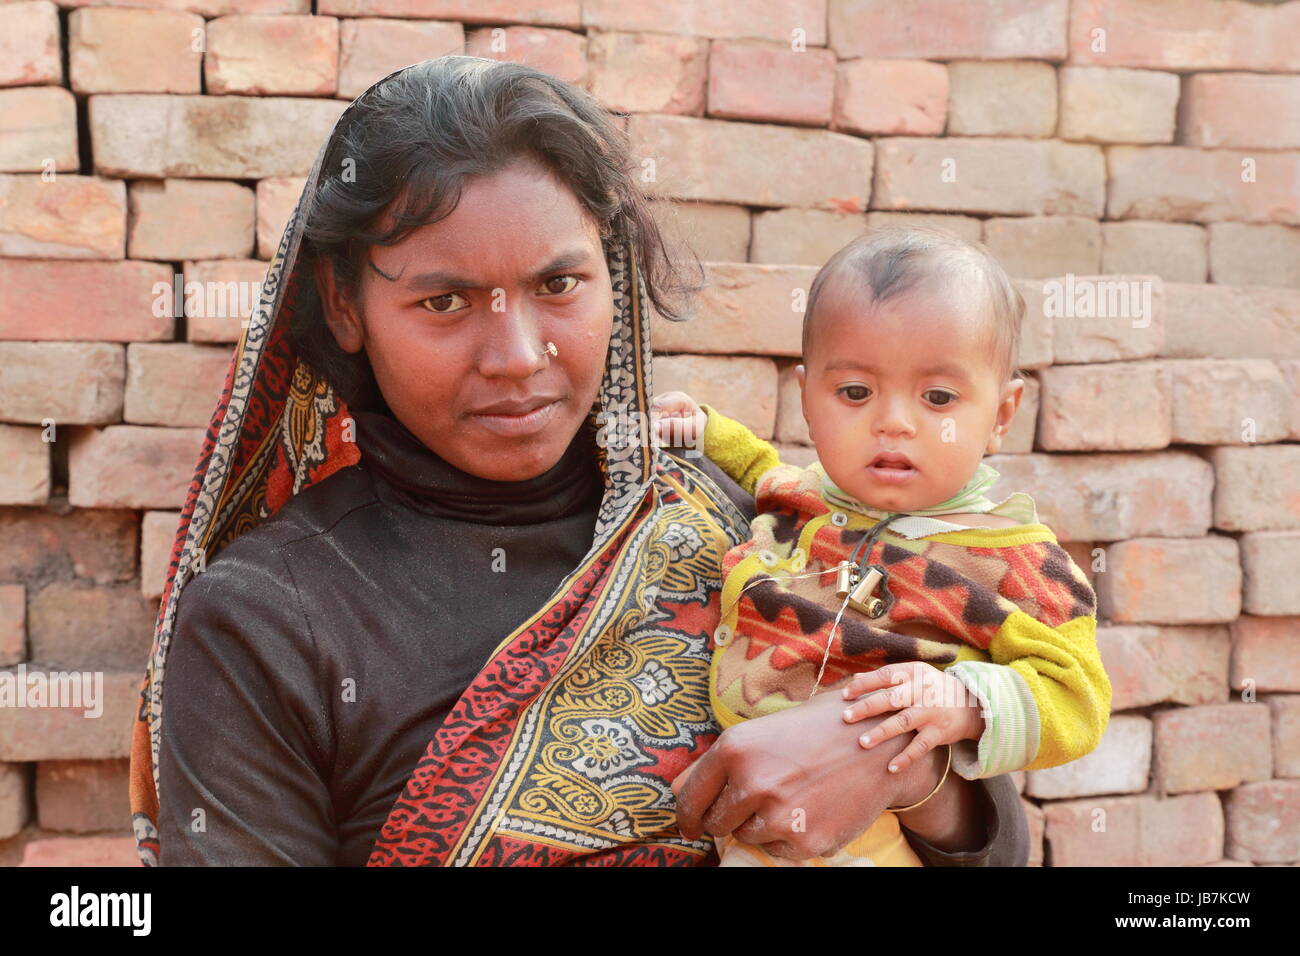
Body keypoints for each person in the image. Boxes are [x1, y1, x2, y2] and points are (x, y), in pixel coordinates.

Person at [126, 57, 1030, 867]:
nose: (518, 354)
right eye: (445, 302)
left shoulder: (731, 515)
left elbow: (1001, 846)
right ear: (345, 304)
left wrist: (895, 773)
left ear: (613, 276)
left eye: (558, 285)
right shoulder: (268, 622)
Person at [655, 225, 1111, 867]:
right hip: (742, 813)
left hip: (872, 828)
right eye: (854, 393)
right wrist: (704, 430)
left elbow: (1078, 693)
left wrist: (966, 700)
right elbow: (762, 469)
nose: (893, 421)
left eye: (938, 397)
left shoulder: (1017, 562)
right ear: (807, 399)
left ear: (1002, 415)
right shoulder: (810, 502)